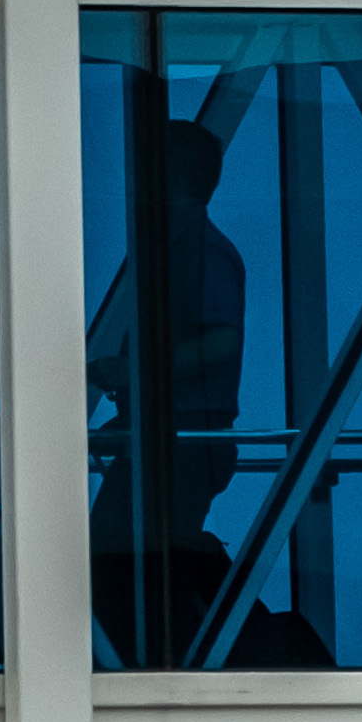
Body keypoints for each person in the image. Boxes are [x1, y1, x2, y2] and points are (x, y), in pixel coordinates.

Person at [89, 119, 246, 660]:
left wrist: (135, 373)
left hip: (181, 446)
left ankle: (165, 661)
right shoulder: (181, 248)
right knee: (134, 564)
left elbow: (221, 340)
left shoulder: (200, 250)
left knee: (123, 563)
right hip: (171, 439)